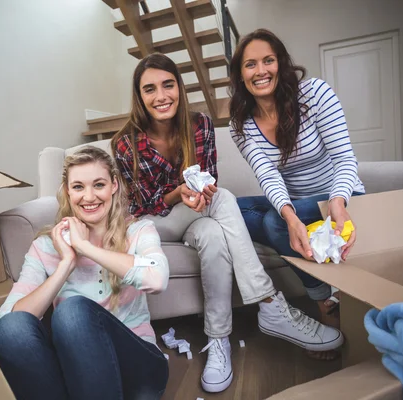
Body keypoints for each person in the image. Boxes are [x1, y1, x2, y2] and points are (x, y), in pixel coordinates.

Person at [111, 53, 343, 393]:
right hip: (150, 224)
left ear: (179, 87)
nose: (161, 96)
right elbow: (138, 203)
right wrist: (177, 194)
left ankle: (218, 341)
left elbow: (210, 180)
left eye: (168, 85)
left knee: (214, 229)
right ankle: (268, 303)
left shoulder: (200, 125)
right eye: (150, 89)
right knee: (225, 201)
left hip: (195, 217)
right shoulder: (125, 142)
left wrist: (200, 194)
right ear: (139, 96)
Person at [0, 146, 170, 400]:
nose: (89, 197)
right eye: (78, 187)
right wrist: (66, 264)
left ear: (114, 186)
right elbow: (8, 322)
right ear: (66, 191)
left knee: (72, 311)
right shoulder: (46, 246)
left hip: (138, 370)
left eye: (98, 185)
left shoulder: (139, 231)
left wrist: (86, 247)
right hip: (79, 374)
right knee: (9, 329)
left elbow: (157, 278)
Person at [228, 29, 365, 331]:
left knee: (272, 224)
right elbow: (268, 175)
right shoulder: (241, 124)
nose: (261, 71)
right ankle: (292, 231)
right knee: (230, 208)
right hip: (298, 204)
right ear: (240, 75)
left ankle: (324, 299)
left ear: (281, 64)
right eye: (250, 64)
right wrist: (290, 215)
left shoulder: (315, 94)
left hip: (339, 198)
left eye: (268, 61)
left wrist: (337, 203)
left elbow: (345, 160)